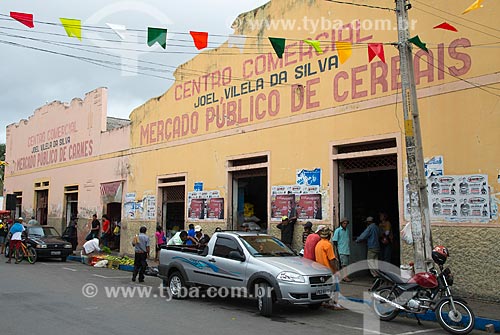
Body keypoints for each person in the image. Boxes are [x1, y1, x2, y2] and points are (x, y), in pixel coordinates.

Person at [314, 227, 343, 310]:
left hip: (320, 269)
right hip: (328, 269)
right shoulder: (328, 245)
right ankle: (335, 303)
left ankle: (326, 302)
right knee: (335, 286)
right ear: (329, 235)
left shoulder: (318, 244)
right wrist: (336, 270)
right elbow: (331, 259)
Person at [333, 218, 352, 282]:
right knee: (344, 265)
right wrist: (337, 250)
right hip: (341, 250)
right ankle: (345, 277)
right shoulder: (338, 230)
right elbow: (335, 240)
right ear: (341, 223)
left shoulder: (347, 230)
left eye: (346, 223)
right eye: (344, 223)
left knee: (344, 264)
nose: (345, 225)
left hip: (346, 249)